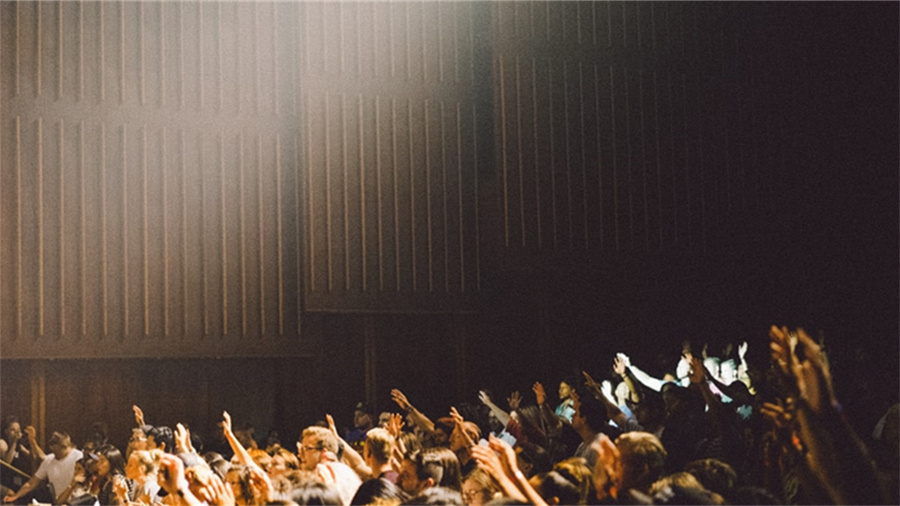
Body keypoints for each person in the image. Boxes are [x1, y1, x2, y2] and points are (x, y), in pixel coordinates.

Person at [3, 432, 83, 504]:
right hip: (60, 501)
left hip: (78, 501)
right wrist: (16, 496)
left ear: (64, 447)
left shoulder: (78, 456)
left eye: (57, 452)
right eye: (52, 451)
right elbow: (31, 483)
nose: (55, 455)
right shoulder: (49, 460)